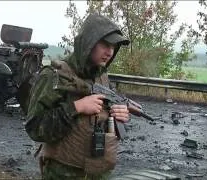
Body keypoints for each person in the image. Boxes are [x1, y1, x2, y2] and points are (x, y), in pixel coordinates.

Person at [24, 13, 130, 180]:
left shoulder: (101, 76)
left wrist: (117, 115)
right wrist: (76, 108)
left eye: (113, 47)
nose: (109, 52)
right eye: (105, 45)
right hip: (63, 173)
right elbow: (35, 128)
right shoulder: (54, 76)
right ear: (88, 43)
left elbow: (100, 121)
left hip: (99, 171)